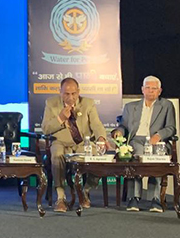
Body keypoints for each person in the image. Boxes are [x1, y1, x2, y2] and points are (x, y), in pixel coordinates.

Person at [42, 77, 107, 212]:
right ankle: (61, 197)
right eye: (66, 94)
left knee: (99, 156)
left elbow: (96, 124)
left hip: (82, 143)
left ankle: (85, 191)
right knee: (57, 155)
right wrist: (60, 118)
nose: (70, 97)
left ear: (78, 92)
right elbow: (46, 129)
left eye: (73, 93)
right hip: (60, 142)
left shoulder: (88, 103)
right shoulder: (51, 103)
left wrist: (101, 137)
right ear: (60, 92)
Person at [112, 76, 177, 213]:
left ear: (159, 91)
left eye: (154, 89)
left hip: (157, 141)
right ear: (142, 90)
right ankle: (134, 198)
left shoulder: (166, 105)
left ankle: (156, 200)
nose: (150, 91)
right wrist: (118, 131)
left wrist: (159, 135)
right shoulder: (131, 107)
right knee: (137, 157)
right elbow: (123, 126)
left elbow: (171, 128)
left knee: (155, 159)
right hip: (137, 139)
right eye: (147, 88)